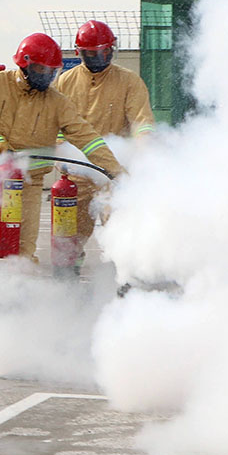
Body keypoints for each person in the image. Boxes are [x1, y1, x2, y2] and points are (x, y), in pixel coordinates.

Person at [0, 33, 124, 341]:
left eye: (52, 72)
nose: (48, 77)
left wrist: (115, 169)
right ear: (24, 65)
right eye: (42, 71)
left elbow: (86, 136)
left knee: (22, 257)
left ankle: (18, 329)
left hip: (28, 187)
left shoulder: (57, 102)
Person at [52, 19, 154, 273]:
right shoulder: (65, 82)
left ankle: (126, 283)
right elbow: (54, 124)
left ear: (112, 49)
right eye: (92, 53)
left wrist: (145, 147)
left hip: (114, 173)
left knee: (121, 231)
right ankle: (67, 284)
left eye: (104, 51)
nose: (100, 57)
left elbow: (141, 121)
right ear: (79, 52)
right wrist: (60, 151)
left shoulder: (129, 81)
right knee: (69, 236)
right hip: (77, 174)